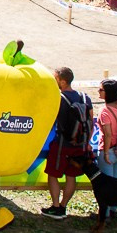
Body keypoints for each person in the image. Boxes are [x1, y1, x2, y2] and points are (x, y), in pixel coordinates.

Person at [42, 66, 92, 217]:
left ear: (62, 81)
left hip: (62, 143)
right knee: (72, 176)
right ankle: (63, 206)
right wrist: (86, 141)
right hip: (80, 145)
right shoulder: (84, 97)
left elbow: (49, 121)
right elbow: (91, 121)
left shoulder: (59, 98)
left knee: (53, 174)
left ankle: (56, 206)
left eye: (55, 78)